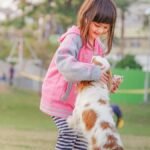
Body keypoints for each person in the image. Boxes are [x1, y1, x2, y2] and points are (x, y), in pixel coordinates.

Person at [40, 0, 119, 149]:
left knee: (83, 138)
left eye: (105, 27)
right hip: (59, 98)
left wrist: (109, 82)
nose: (100, 30)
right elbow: (65, 64)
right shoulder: (74, 38)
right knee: (69, 132)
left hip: (79, 103)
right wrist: (95, 72)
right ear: (86, 17)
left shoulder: (98, 46)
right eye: (97, 25)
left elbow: (96, 76)